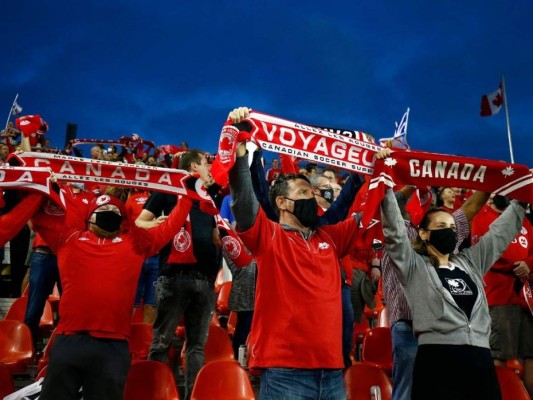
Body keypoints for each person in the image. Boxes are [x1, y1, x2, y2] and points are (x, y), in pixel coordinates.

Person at [227, 107, 365, 400]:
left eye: (313, 194)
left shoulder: (330, 237)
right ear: (283, 203)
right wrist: (241, 156)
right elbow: (244, 201)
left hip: (332, 372)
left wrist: (370, 165)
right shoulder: (268, 235)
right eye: (304, 193)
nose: (313, 199)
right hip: (284, 372)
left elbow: (369, 208)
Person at [379, 149, 530, 400]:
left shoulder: (470, 261)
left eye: (451, 227)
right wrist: (384, 183)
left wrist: (522, 198)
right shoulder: (414, 266)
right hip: (438, 358)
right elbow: (394, 231)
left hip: (480, 358)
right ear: (424, 233)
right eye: (441, 227)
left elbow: (500, 235)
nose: (449, 231)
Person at [33, 188, 196, 400]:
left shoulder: (135, 244)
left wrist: (187, 195)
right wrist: (41, 187)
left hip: (113, 346)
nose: (108, 212)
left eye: (113, 209)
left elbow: (171, 226)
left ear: (123, 220)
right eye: (102, 209)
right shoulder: (68, 239)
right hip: (69, 340)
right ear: (89, 218)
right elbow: (39, 218)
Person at [382, 185, 489, 400]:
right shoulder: (396, 232)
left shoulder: (443, 232)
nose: (424, 204)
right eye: (418, 199)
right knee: (407, 391)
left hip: (445, 331)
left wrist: (490, 181)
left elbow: (470, 207)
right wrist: (412, 183)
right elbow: (388, 204)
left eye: (426, 199)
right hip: (407, 325)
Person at [136, 149, 220, 400]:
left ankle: (192, 396)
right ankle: (156, 394)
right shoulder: (167, 191)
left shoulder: (210, 195)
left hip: (204, 278)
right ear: (195, 165)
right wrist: (159, 224)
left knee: (196, 346)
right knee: (162, 341)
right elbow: (140, 222)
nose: (210, 169)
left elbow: (215, 230)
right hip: (173, 276)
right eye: (206, 163)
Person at [472, 194, 533, 397]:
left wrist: (528, 265)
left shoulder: (523, 220)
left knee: (530, 352)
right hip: (499, 296)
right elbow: (484, 251)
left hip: (526, 299)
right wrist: (516, 265)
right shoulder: (482, 217)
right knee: (499, 354)